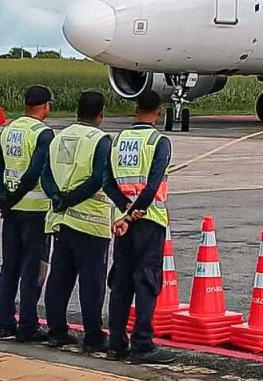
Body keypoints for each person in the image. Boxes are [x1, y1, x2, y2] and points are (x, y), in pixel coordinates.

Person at [103, 90, 175, 364]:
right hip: (148, 221)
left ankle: (116, 343)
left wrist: (124, 211)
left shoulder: (118, 140)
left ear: (136, 109)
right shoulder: (159, 142)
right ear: (158, 112)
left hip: (123, 223)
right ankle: (142, 344)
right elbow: (152, 186)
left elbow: (107, 181)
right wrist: (133, 214)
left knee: (121, 282)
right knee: (146, 282)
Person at [41, 91, 113, 353]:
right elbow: (99, 178)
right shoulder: (101, 141)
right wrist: (72, 198)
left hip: (61, 220)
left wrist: (57, 197)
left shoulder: (59, 137)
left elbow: (46, 173)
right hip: (91, 223)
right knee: (91, 282)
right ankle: (93, 336)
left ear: (77, 111)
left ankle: (56, 331)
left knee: (59, 278)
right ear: (101, 113)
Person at [0, 85, 54, 342]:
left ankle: (5, 322)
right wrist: (15, 196)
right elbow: (35, 171)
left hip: (11, 211)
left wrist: (3, 196)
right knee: (32, 269)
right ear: (45, 106)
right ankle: (28, 325)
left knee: (9, 267)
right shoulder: (43, 134)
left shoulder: (8, 130)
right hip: (34, 210)